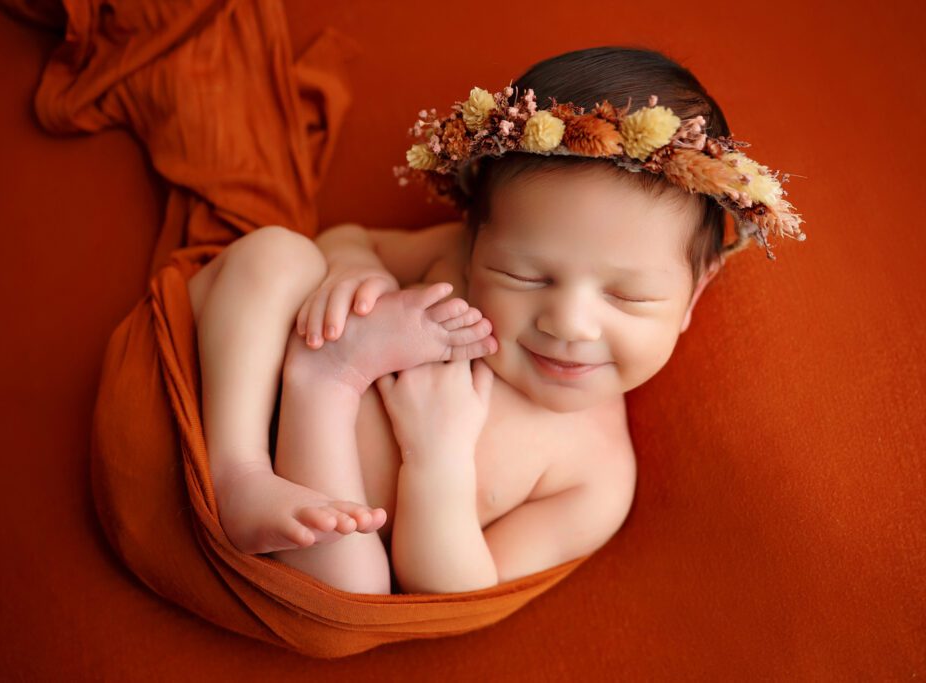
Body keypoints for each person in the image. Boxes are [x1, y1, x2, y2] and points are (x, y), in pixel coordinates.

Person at [185, 46, 805, 595]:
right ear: (476, 240)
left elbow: (459, 584)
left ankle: (326, 379)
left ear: (694, 297)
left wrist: (437, 460)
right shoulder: (453, 260)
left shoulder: (596, 476)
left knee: (358, 583)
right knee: (278, 253)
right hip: (239, 400)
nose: (569, 323)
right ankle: (237, 469)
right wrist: (352, 273)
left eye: (628, 297)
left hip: (329, 527)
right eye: (526, 277)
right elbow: (349, 238)